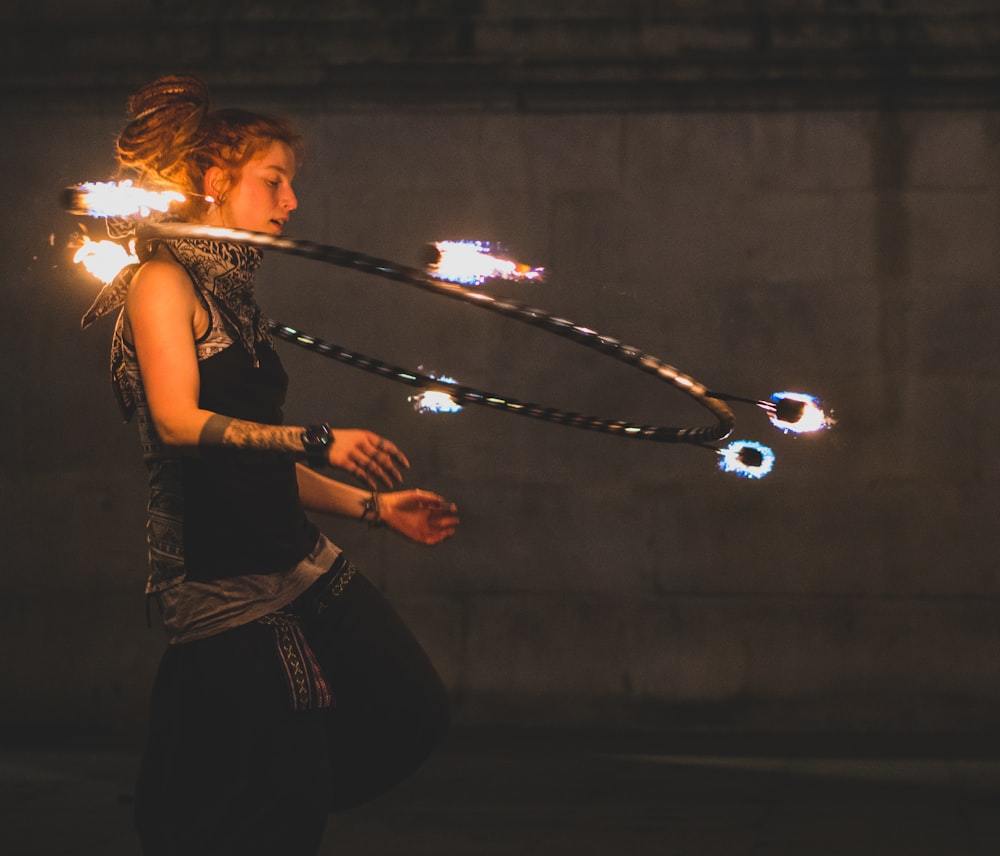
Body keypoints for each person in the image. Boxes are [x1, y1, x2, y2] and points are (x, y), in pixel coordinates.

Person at [82, 73, 459, 855]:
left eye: (291, 184)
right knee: (280, 799)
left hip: (295, 557)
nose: (290, 202)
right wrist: (315, 438)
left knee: (412, 709)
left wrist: (373, 507)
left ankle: (237, 786)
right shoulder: (163, 281)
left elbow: (252, 456)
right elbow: (181, 425)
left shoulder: (238, 301)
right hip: (223, 580)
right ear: (216, 182)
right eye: (274, 181)